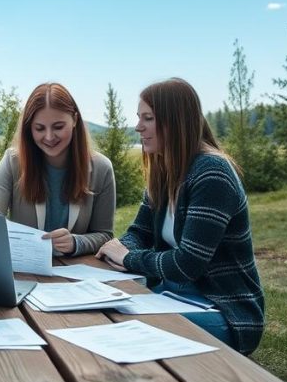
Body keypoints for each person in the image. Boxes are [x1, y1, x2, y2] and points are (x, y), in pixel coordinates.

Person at [96, 78, 264, 354]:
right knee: (105, 315)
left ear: (174, 122)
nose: (138, 127)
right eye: (139, 118)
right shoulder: (165, 170)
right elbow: (140, 231)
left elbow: (188, 264)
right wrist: (121, 248)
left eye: (148, 118)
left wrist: (127, 257)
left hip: (224, 311)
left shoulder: (212, 173)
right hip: (171, 295)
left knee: (122, 328)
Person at [0, 82, 115, 256]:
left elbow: (105, 235)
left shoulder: (101, 168)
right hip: (25, 270)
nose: (49, 137)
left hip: (76, 273)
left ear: (74, 119)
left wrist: (76, 242)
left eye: (58, 127)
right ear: (29, 129)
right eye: (39, 128)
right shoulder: (12, 161)